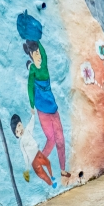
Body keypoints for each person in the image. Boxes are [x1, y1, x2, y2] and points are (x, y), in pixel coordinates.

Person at [24, 40, 69, 180]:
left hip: (53, 108)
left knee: (60, 140)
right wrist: (31, 106)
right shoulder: (33, 70)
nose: (38, 55)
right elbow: (30, 87)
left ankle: (63, 170)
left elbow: (43, 52)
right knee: (51, 140)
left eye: (38, 52)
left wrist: (36, 38)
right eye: (35, 53)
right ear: (31, 55)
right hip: (42, 111)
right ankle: (37, 162)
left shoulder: (44, 66)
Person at [10, 113, 55, 188]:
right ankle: (51, 184)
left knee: (48, 163)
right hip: (33, 161)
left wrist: (33, 114)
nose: (19, 130)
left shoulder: (27, 130)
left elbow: (31, 123)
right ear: (16, 135)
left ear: (21, 123)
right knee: (42, 174)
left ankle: (52, 176)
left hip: (38, 154)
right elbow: (25, 156)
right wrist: (27, 168)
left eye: (19, 126)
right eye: (17, 131)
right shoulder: (22, 143)